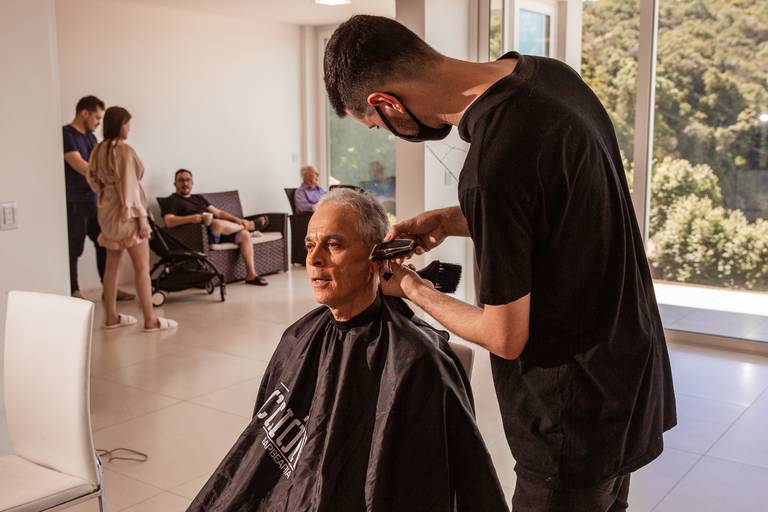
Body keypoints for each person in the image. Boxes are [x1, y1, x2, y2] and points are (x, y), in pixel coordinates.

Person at [324, 15, 676, 512]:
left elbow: (504, 336)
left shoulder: (493, 164)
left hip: (570, 415)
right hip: (627, 375)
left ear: (388, 102)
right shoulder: (550, 77)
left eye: (377, 125)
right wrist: (452, 219)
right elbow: (558, 208)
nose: (387, 134)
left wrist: (414, 289)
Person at [188, 189, 508, 512]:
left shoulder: (415, 361)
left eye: (333, 244)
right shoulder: (297, 337)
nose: (314, 259)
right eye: (310, 245)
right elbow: (261, 446)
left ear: (376, 258)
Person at [87, 107, 177, 332]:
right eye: (127, 124)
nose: (129, 128)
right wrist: (142, 219)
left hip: (108, 215)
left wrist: (106, 191)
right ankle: (150, 320)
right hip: (128, 216)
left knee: (111, 268)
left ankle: (111, 317)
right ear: (120, 125)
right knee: (142, 268)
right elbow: (130, 189)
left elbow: (92, 179)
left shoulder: (98, 149)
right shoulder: (124, 151)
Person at [64, 95, 134, 301]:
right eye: (97, 117)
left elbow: (98, 165)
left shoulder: (91, 138)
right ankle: (74, 291)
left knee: (105, 243)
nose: (98, 123)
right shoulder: (66, 135)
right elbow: (79, 164)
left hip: (95, 201)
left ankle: (109, 289)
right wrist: (108, 178)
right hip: (75, 202)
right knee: (74, 249)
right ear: (84, 113)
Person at [161, 169, 268, 286]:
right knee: (217, 223)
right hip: (200, 237)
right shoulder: (172, 200)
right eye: (181, 180)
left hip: (219, 231)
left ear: (192, 183)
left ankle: (251, 274)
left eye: (188, 180)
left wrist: (238, 220)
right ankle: (250, 227)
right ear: (175, 183)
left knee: (244, 235)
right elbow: (168, 221)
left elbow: (219, 213)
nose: (185, 183)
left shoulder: (198, 198)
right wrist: (191, 218)